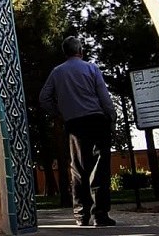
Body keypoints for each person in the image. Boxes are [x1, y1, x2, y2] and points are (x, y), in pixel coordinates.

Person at [40, 36, 117, 227]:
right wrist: (112, 116)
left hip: (74, 123)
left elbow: (44, 98)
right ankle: (100, 214)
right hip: (96, 120)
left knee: (78, 168)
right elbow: (104, 97)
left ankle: (81, 216)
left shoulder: (57, 72)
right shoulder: (91, 68)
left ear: (65, 52)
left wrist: (60, 113)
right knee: (100, 168)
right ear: (80, 50)